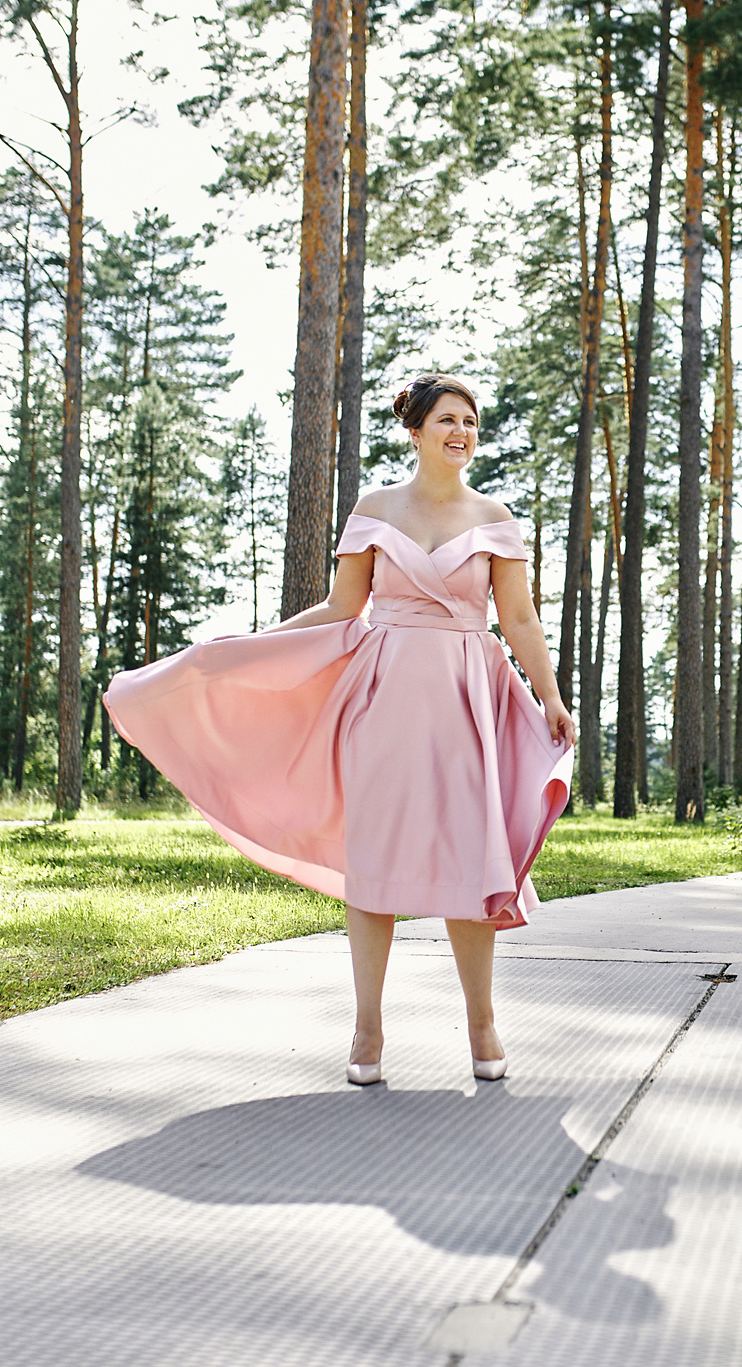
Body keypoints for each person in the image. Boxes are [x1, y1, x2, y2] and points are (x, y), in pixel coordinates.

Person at [104, 373, 575, 1087]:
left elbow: (519, 619)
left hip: (466, 702)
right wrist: (255, 645)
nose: (462, 432)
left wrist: (550, 693)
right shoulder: (376, 508)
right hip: (383, 700)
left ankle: (481, 1021)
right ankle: (367, 1026)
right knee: (375, 862)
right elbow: (340, 607)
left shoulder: (494, 516)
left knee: (476, 864)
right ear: (414, 430)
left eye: (471, 421)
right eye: (447, 419)